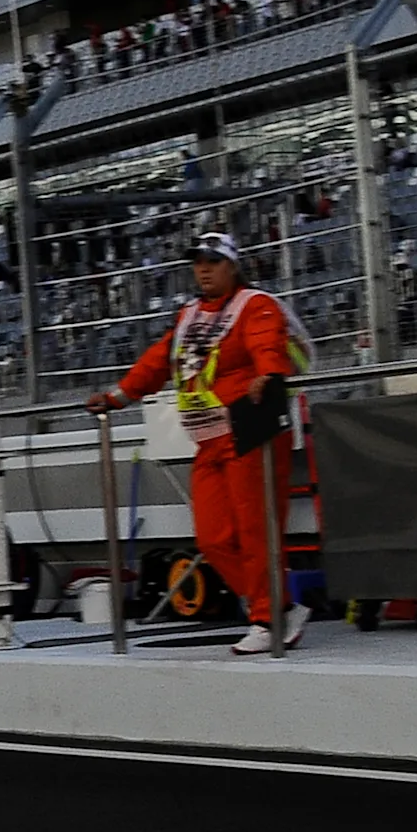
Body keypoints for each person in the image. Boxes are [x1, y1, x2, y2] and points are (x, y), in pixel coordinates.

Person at [90, 232, 304, 654]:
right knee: (213, 538)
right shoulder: (189, 315)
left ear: (233, 266)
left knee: (256, 531)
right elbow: (157, 361)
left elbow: (267, 346)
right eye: (197, 261)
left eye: (212, 260)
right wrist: (117, 396)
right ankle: (280, 607)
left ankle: (266, 616)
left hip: (250, 428)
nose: (203, 268)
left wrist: (271, 375)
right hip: (208, 439)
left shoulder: (255, 304)